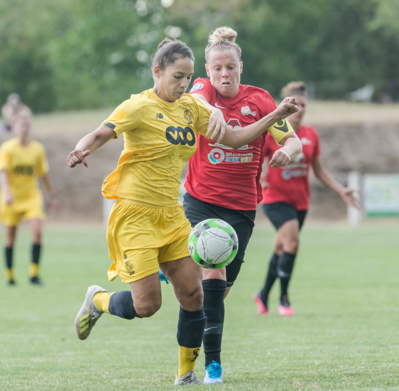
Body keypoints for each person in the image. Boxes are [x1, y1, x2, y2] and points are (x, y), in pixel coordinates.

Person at [67, 38, 298, 386]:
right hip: (134, 215)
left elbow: (234, 139)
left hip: (172, 214)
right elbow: (102, 133)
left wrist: (276, 116)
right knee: (147, 306)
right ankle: (97, 300)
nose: (183, 85)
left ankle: (185, 374)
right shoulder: (137, 106)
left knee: (194, 295)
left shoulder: (191, 108)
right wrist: (80, 148)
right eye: (177, 76)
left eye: (188, 78)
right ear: (156, 71)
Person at [182, 26, 303, 384]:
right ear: (207, 69)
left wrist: (287, 151)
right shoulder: (202, 91)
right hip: (200, 200)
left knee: (217, 292)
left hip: (242, 208)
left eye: (230, 67)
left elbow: (291, 140)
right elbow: (199, 102)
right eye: (217, 68)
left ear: (241, 66)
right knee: (213, 273)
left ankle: (177, 278)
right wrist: (211, 111)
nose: (223, 74)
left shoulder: (261, 100)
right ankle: (213, 367)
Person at [254, 81, 361, 317]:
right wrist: (257, 180)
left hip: (300, 202)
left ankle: (263, 294)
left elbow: (319, 171)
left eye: (303, 104)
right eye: (295, 104)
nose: (299, 108)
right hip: (275, 198)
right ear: (286, 105)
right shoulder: (274, 131)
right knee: (292, 243)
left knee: (282, 247)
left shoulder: (310, 135)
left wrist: (341, 190)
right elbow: (255, 159)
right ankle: (284, 299)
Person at [0, 114, 58, 285]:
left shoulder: (37, 149)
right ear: (15, 127)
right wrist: (7, 192)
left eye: (27, 125)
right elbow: (3, 172)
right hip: (11, 198)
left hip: (32, 197)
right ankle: (10, 275)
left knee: (37, 232)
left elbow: (43, 174)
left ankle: (34, 275)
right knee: (10, 237)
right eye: (21, 125)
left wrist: (52, 196)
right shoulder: (8, 148)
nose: (24, 128)